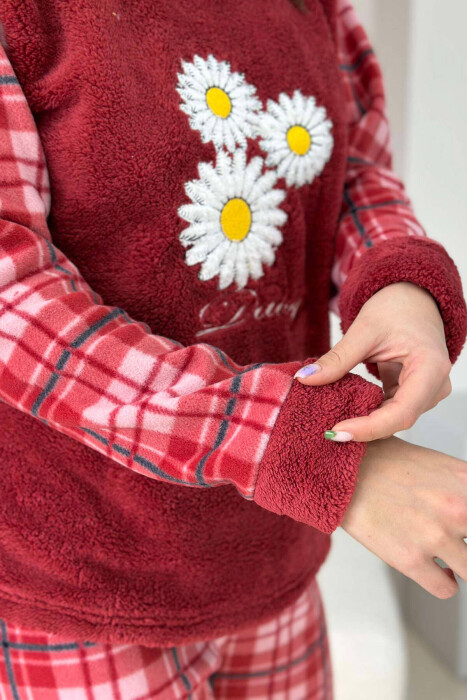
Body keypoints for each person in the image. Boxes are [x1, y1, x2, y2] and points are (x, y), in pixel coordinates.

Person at [0, 0, 465, 697]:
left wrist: (397, 281)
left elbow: (350, 168)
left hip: (274, 548)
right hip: (84, 589)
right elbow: (13, 296)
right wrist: (325, 456)